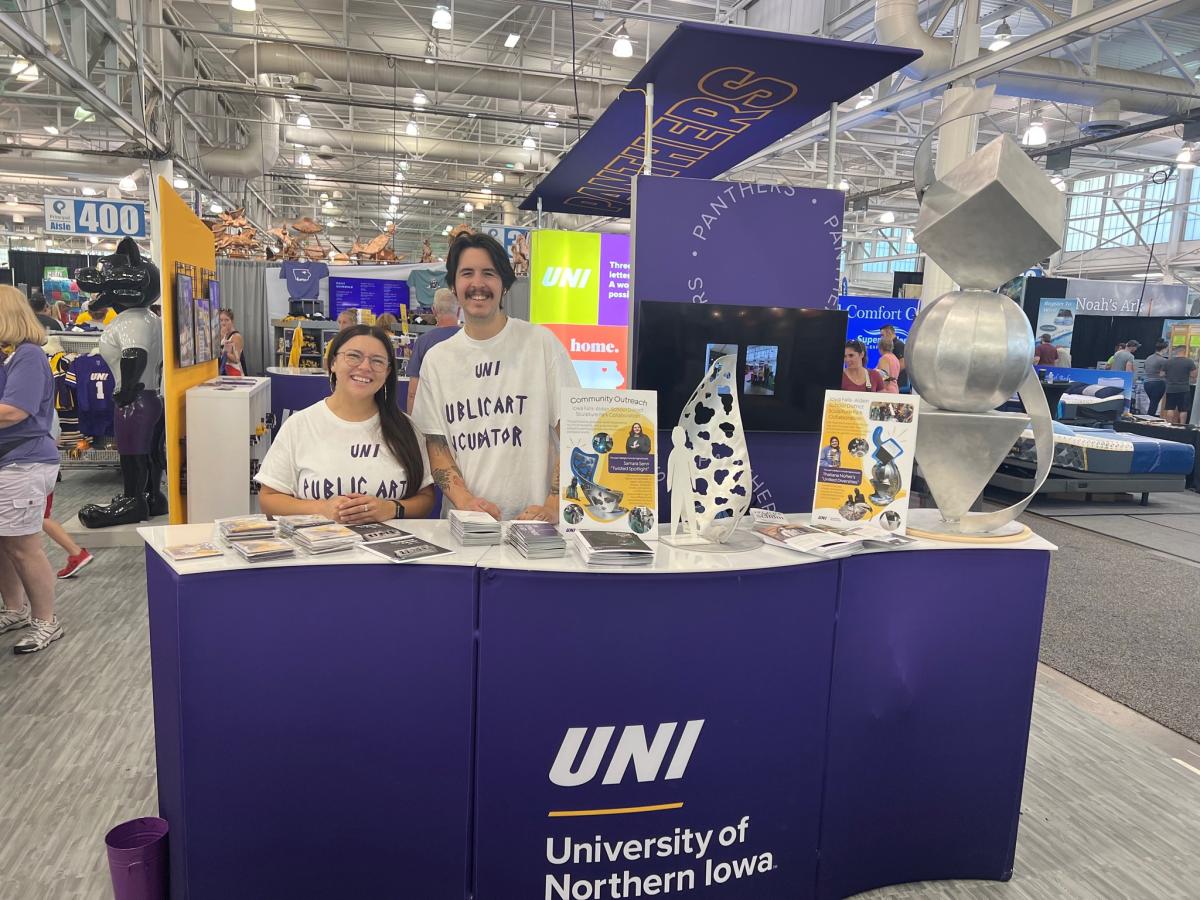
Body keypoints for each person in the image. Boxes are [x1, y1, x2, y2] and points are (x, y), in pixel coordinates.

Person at [412, 232, 580, 522]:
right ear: (454, 285)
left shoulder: (540, 343)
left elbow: (574, 429)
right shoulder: (437, 360)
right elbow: (436, 444)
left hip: (535, 525)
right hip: (467, 526)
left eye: (488, 273)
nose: (478, 284)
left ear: (504, 284)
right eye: (467, 273)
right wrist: (466, 502)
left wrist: (554, 503)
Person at [256, 325, 435, 522]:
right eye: (353, 356)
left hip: (389, 550)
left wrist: (392, 508)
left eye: (377, 361)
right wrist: (321, 508)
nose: (365, 367)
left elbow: (425, 498)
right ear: (333, 362)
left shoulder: (406, 428)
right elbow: (269, 499)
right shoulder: (299, 425)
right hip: (319, 549)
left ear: (387, 372)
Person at [0, 285, 64, 653]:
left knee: (24, 546)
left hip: (23, 462)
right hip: (11, 460)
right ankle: (14, 607)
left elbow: (14, 411)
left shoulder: (28, 356)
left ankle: (46, 620)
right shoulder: (12, 356)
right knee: (5, 542)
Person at [406, 288, 461, 414]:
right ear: (458, 310)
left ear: (434, 310)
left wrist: (412, 427)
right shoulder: (471, 340)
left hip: (431, 420)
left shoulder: (423, 342)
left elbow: (412, 393)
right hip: (464, 420)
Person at [1162, 345, 1198, 425]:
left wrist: (1170, 376)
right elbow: (1194, 375)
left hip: (1170, 388)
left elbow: (1162, 374)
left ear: (1176, 351)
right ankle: (1182, 425)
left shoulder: (1168, 361)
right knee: (1183, 409)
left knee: (1170, 408)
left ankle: (1169, 425)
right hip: (1184, 389)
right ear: (1184, 351)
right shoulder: (1189, 361)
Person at [1143, 339, 1169, 417]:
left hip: (1147, 383)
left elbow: (1145, 368)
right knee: (1154, 404)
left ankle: (1149, 418)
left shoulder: (1148, 358)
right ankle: (1149, 419)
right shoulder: (1163, 360)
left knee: (1152, 402)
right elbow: (1162, 374)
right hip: (1158, 383)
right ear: (1164, 349)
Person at [218, 308, 247, 376]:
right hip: (225, 373)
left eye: (227, 320)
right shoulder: (222, 335)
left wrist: (221, 351)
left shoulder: (236, 336)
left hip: (236, 374)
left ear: (232, 321)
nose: (223, 323)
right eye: (221, 320)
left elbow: (236, 359)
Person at [880, 324, 906, 389]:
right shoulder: (893, 345)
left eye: (882, 335)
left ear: (889, 332)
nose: (881, 338)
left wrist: (892, 375)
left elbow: (903, 363)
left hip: (898, 383)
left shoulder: (898, 345)